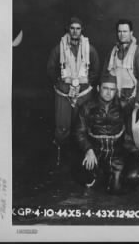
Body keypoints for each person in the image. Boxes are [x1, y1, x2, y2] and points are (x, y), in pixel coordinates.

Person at [47, 16, 100, 169]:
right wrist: (60, 84)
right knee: (62, 125)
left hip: (83, 93)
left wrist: (87, 83)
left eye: (78, 28)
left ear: (82, 30)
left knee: (82, 123)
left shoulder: (89, 48)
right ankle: (61, 157)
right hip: (64, 92)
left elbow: (96, 68)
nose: (75, 31)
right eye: (72, 28)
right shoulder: (59, 48)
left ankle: (82, 157)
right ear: (68, 30)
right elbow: (50, 69)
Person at [74, 73, 126, 193]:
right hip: (95, 152)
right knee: (86, 177)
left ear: (116, 91)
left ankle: (111, 175)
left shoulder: (123, 106)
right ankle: (97, 174)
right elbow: (79, 132)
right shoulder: (87, 107)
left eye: (112, 89)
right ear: (98, 88)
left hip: (115, 155)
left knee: (116, 190)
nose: (109, 92)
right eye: (105, 88)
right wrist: (88, 150)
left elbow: (130, 132)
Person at [101, 19, 139, 114]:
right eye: (119, 31)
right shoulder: (113, 52)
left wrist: (138, 101)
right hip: (114, 100)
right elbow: (105, 75)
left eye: (125, 31)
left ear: (131, 33)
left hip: (131, 100)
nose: (122, 34)